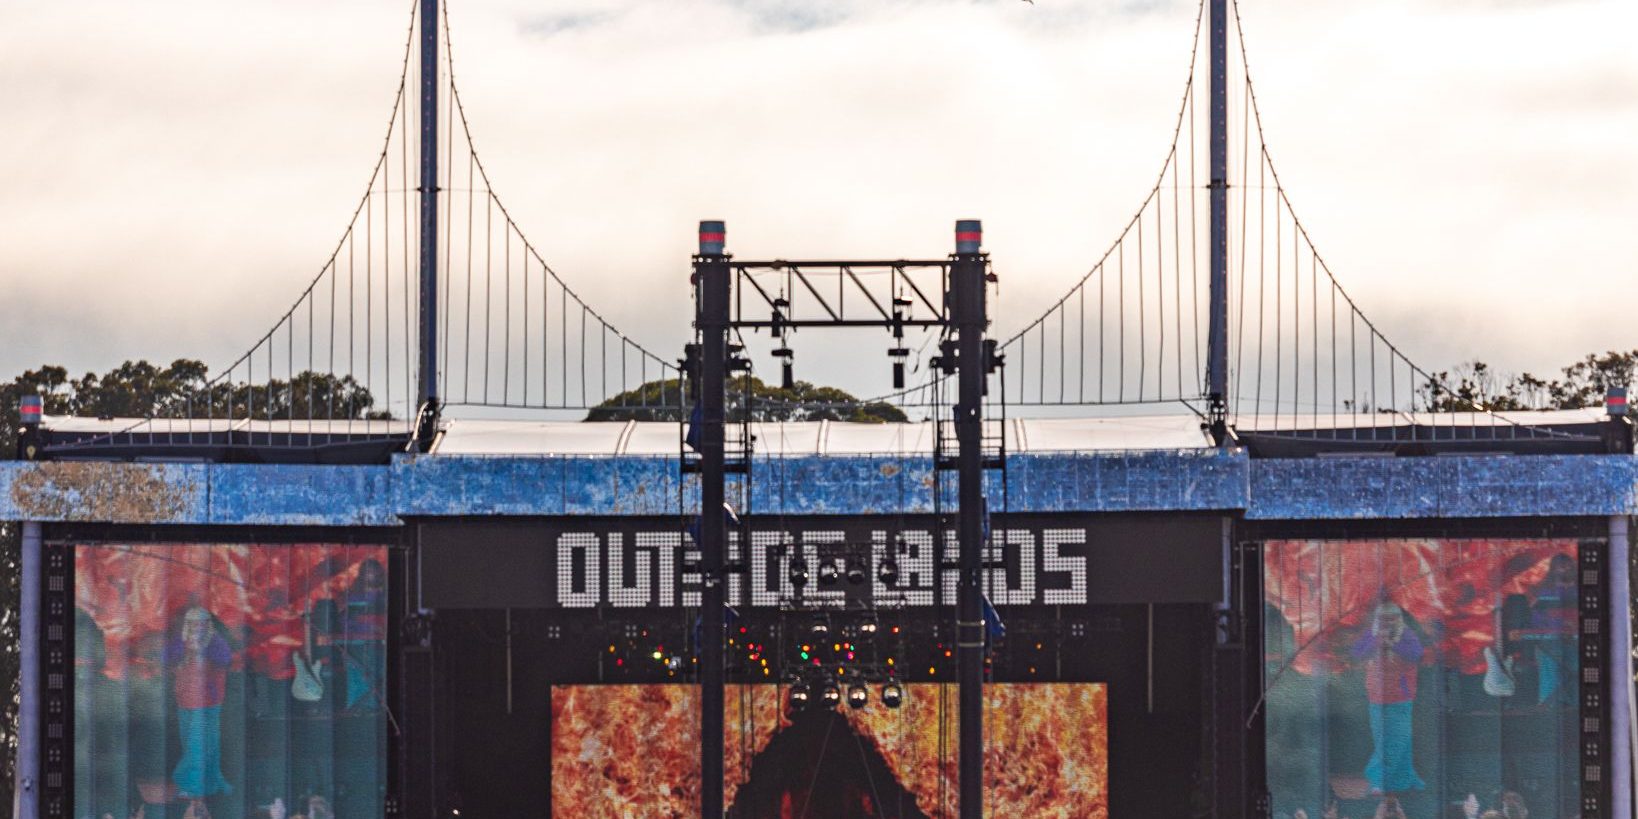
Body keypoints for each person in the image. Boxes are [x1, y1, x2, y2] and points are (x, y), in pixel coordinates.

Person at [1351, 601, 1427, 794]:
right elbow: (1357, 653)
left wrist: (1393, 644)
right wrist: (1377, 641)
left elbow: (1417, 654)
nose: (1387, 623)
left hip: (1401, 697)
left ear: (1398, 619)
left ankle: (1381, 779)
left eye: (1391, 618)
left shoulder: (1407, 635)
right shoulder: (1371, 634)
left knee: (1399, 740)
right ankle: (1400, 780)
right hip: (1376, 698)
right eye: (1382, 619)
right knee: (1385, 740)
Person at [163, 606, 233, 801]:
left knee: (199, 745)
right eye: (192, 622)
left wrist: (203, 649)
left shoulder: (215, 641)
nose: (197, 626)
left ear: (207, 624)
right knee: (196, 744)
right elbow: (165, 657)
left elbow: (226, 659)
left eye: (201, 622)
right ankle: (212, 782)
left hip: (207, 703)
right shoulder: (181, 641)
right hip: (185, 701)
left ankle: (191, 786)